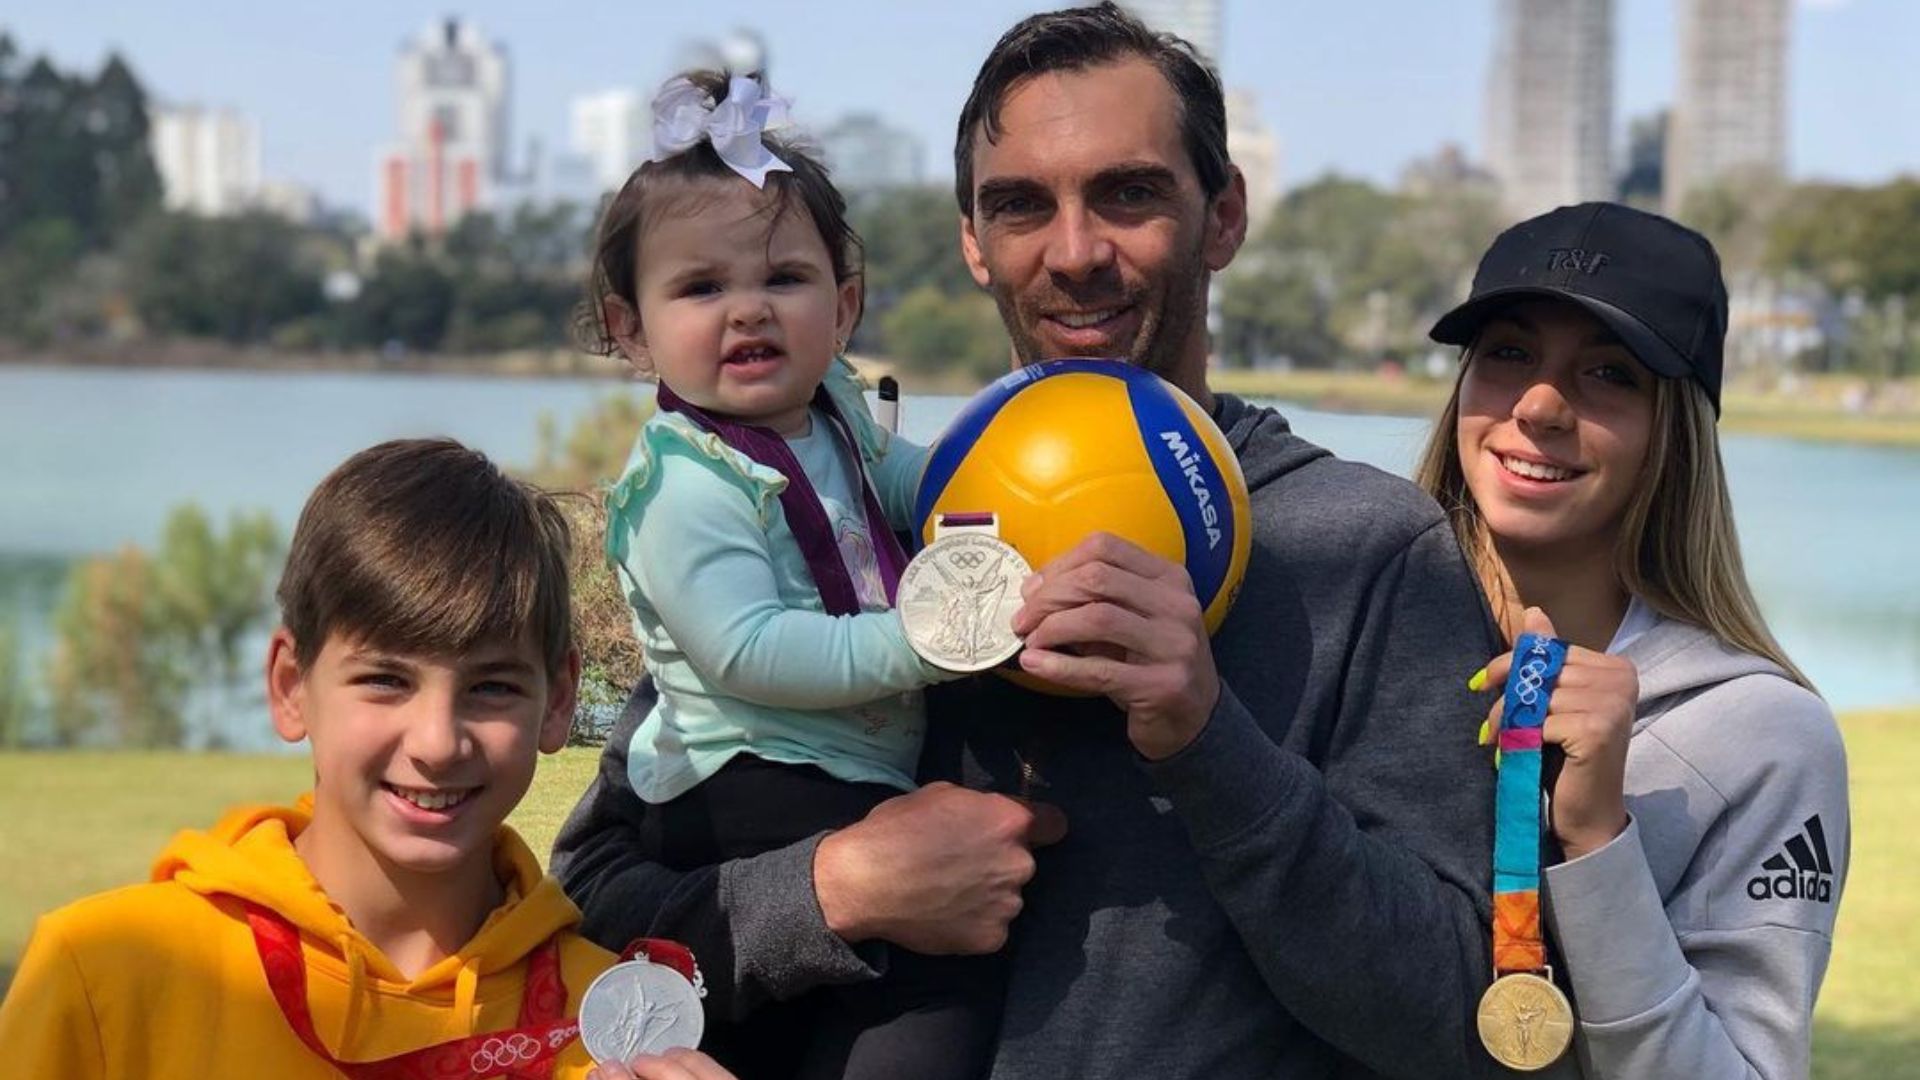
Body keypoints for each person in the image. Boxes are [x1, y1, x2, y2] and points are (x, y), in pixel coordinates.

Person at [557, 6, 1512, 1077]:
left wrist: (1209, 739)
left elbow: (1460, 1022)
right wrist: (836, 890)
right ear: (973, 240)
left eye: (1130, 193)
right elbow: (593, 901)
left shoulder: (1365, 549)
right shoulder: (866, 517)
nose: (1074, 252)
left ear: (1226, 216)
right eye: (1019, 206)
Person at [575, 70, 995, 1079]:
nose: (748, 310)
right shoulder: (682, 483)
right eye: (701, 287)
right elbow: (749, 648)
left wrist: (995, 510)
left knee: (911, 968)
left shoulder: (839, 416)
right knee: (917, 967)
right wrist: (925, 640)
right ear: (632, 328)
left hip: (845, 773)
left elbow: (919, 490)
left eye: (784, 279)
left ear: (844, 303)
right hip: (743, 787)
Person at [0, 438, 647, 1077]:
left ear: (558, 699)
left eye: (492, 687)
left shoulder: (615, 1026)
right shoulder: (107, 976)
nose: (437, 743)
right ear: (290, 685)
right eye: (385, 680)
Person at [1418, 202, 1850, 1078]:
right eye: (1507, 353)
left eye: (1609, 374)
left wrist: (1598, 840)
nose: (1539, 404)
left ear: (1674, 435)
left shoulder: (1764, 739)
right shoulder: (1346, 632)